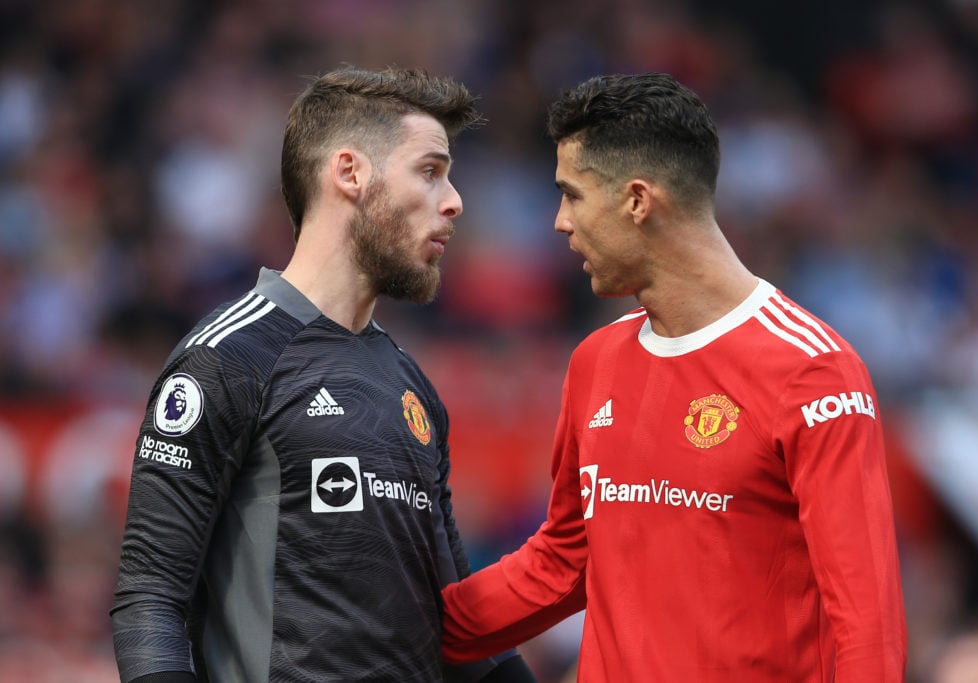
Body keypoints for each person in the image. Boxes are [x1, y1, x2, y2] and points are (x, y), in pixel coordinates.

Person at [441, 73, 908, 681]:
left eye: (572, 195)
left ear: (638, 200)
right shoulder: (595, 362)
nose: (559, 222)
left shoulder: (813, 372)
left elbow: (867, 628)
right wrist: (394, 622)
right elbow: (563, 564)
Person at [111, 65, 537, 683]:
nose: (454, 200)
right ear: (350, 173)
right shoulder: (227, 359)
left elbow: (458, 618)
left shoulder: (410, 385)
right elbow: (149, 599)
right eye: (430, 170)